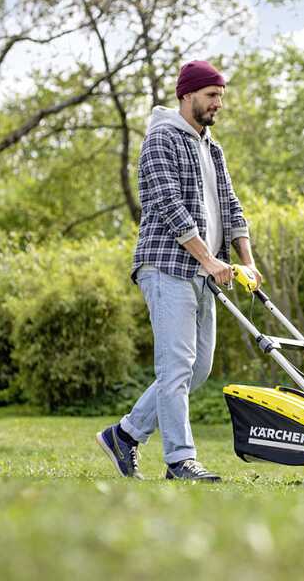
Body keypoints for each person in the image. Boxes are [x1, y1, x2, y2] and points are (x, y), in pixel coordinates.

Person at [96, 60, 261, 482]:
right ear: (186, 95)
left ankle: (126, 435)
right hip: (167, 267)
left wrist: (247, 261)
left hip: (207, 272)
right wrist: (209, 259)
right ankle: (180, 460)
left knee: (197, 369)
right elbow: (169, 206)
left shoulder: (212, 148)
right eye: (211, 96)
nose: (217, 104)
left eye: (221, 96)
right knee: (175, 367)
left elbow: (232, 206)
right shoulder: (161, 140)